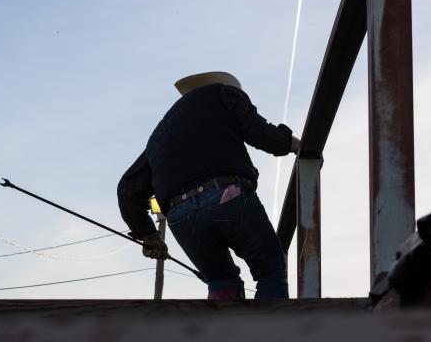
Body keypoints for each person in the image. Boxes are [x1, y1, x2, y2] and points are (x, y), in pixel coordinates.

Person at [117, 71, 300, 299]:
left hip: (180, 215)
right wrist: (296, 145)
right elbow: (260, 133)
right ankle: (266, 332)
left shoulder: (160, 134)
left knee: (222, 281)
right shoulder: (223, 93)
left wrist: (149, 235)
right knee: (270, 270)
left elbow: (127, 188)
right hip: (227, 195)